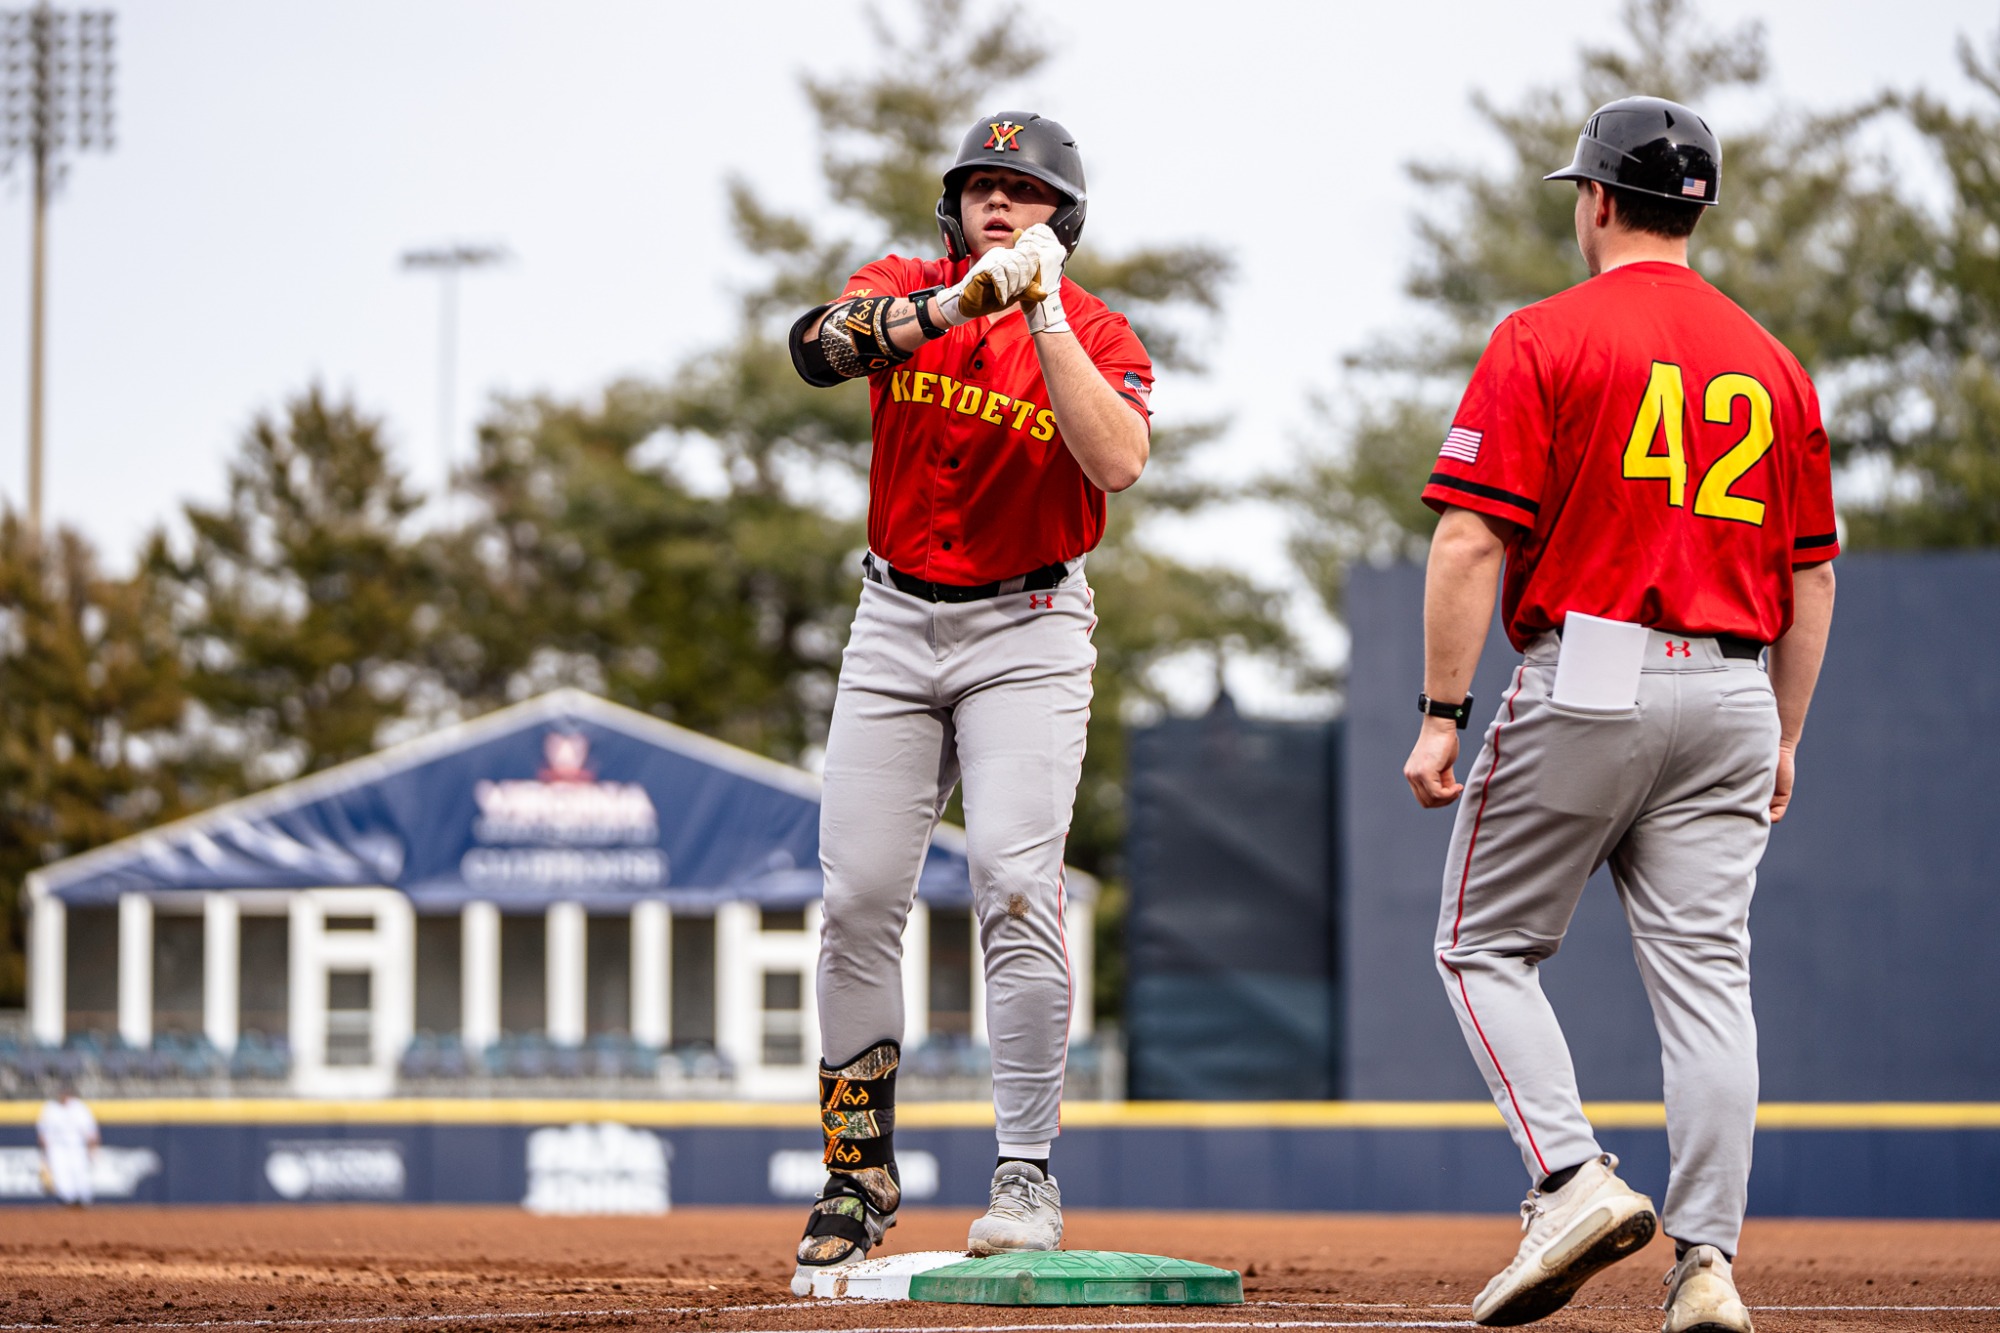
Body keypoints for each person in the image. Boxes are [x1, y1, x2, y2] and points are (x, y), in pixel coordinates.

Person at [1400, 97, 1838, 1331]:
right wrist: (1785, 732)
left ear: (1594, 200)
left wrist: (1441, 712)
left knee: (1482, 945)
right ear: (1693, 207)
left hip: (1591, 661)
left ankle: (1568, 1177)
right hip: (1738, 684)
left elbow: (1466, 536)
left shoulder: (1544, 333)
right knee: (1706, 983)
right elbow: (1809, 576)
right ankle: (1705, 1267)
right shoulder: (1771, 361)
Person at [783, 111, 1152, 1293]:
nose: (1000, 203)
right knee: (856, 895)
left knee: (1010, 879)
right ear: (955, 207)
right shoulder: (905, 285)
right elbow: (816, 348)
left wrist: (1038, 313)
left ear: (1064, 219)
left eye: (1026, 190)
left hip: (1027, 627)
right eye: (983, 186)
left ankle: (1024, 1172)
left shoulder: (1096, 329)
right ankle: (857, 1165)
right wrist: (957, 307)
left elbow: (1117, 461)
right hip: (893, 618)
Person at [37, 1082, 100, 1207]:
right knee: (61, 1173)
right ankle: (67, 1200)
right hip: (56, 1147)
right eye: (61, 1093)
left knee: (80, 1171)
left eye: (65, 1093)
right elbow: (42, 1133)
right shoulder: (50, 1108)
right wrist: (44, 1153)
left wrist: (92, 1148)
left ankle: (84, 1200)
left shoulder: (79, 1108)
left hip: (76, 1146)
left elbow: (91, 1131)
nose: (63, 1095)